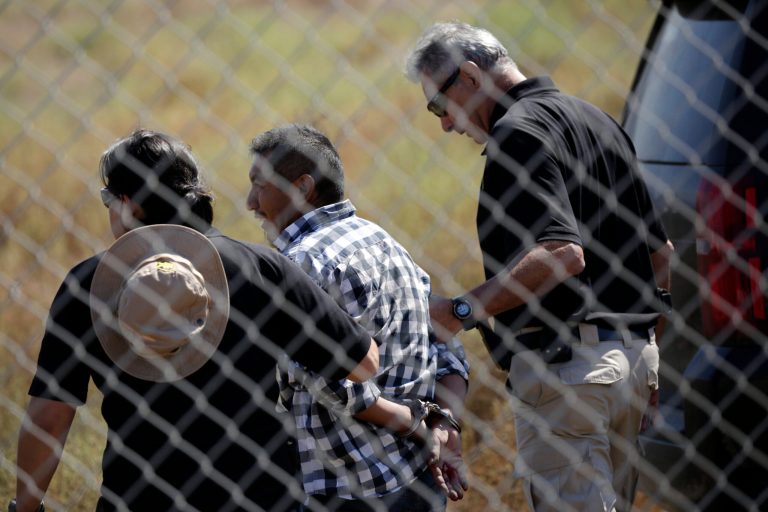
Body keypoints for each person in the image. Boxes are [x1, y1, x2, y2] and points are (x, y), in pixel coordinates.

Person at [13, 129, 382, 512]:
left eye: (108, 198)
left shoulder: (88, 284)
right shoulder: (262, 269)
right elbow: (364, 364)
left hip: (140, 497)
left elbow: (49, 418)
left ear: (128, 204)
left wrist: (25, 507)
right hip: (259, 497)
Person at [404, 22, 674, 512]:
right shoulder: (598, 121)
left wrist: (461, 311)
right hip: (633, 366)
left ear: (469, 75)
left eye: (439, 106)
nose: (445, 124)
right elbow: (662, 253)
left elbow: (562, 254)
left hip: (569, 373)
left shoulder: (516, 135)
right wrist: (647, 351)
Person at [246, 124, 470, 511]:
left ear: (302, 186)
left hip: (347, 489)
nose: (250, 202)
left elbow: (330, 383)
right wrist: (443, 421)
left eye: (259, 185)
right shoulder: (384, 240)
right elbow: (446, 344)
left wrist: (419, 425)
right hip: (420, 477)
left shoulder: (303, 264)